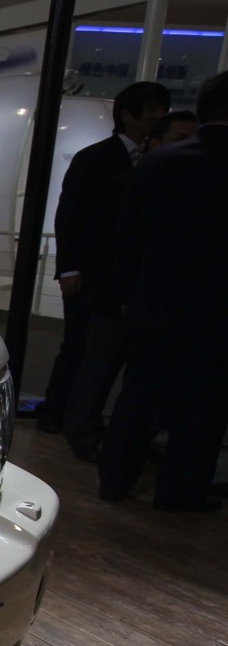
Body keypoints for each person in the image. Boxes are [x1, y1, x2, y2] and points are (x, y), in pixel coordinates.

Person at [97, 71, 228, 512]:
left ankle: (114, 480)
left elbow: (127, 239)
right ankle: (180, 493)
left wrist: (127, 294)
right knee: (202, 408)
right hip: (217, 312)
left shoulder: (157, 163)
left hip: (154, 302)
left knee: (137, 396)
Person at [38, 80, 170, 454]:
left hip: (124, 277)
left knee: (98, 349)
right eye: (152, 112)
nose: (157, 119)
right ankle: (55, 411)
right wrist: (69, 269)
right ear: (128, 114)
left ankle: (74, 416)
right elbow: (71, 217)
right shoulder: (94, 158)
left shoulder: (153, 160)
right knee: (78, 345)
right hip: (89, 274)